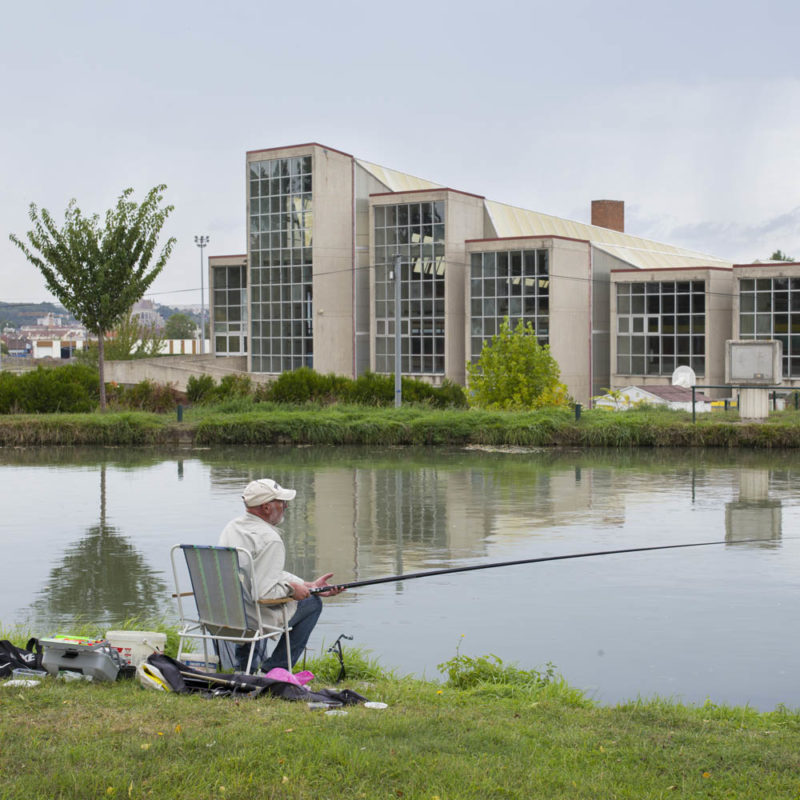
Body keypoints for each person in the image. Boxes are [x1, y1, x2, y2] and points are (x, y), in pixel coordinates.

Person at [218, 477, 343, 672]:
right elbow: (264, 594)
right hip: (252, 617)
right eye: (281, 502)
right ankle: (275, 669)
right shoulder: (270, 539)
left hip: (225, 613)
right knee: (312, 604)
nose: (286, 506)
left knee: (305, 596)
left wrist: (307, 585)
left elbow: (260, 572)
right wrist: (293, 591)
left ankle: (244, 668)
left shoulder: (233, 527)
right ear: (267, 507)